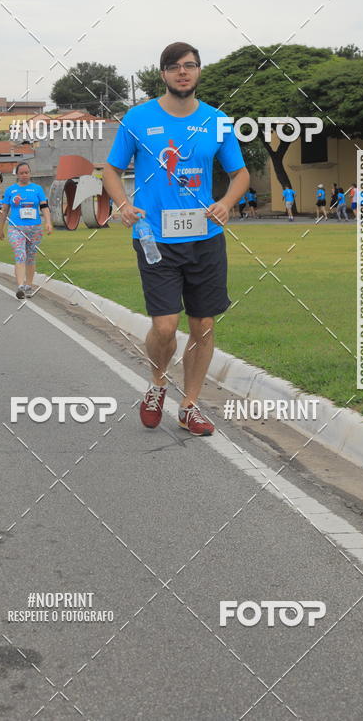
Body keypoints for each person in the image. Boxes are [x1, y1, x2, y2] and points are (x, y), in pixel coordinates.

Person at [103, 41, 249, 437]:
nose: (183, 72)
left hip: (206, 237)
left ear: (199, 71)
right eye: (174, 67)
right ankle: (158, 383)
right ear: (163, 74)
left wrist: (226, 202)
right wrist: (123, 204)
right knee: (166, 326)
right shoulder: (137, 119)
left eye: (190, 66)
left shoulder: (218, 121)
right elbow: (111, 171)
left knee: (203, 324)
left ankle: (190, 405)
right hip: (154, 236)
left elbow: (240, 175)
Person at [0, 161, 52, 298]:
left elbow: (44, 207)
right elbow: (4, 210)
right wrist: (0, 228)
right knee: (20, 253)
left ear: (30, 173)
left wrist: (48, 222)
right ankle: (20, 286)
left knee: (31, 257)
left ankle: (28, 285)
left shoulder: (37, 189)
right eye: (21, 173)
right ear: (17, 174)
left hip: (35, 228)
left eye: (26, 172)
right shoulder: (11, 190)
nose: (24, 175)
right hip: (16, 228)